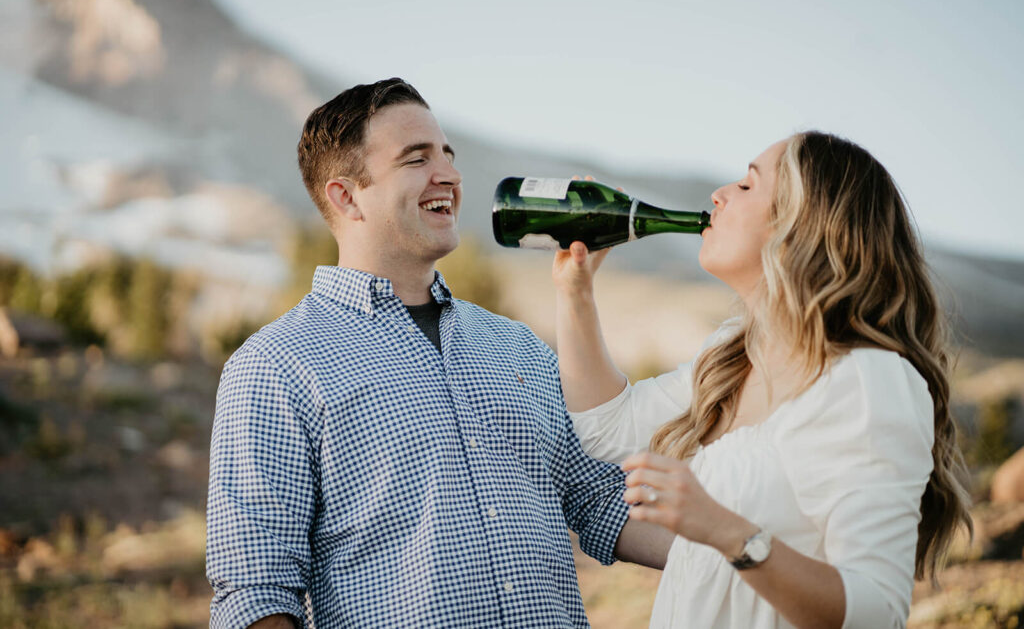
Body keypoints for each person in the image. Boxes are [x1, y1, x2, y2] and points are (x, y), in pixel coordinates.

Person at [205, 78, 670, 629]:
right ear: (346, 195)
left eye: (448, 155)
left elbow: (601, 500)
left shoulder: (518, 345)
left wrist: (756, 551)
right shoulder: (276, 367)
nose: (448, 174)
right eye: (416, 158)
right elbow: (257, 592)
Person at [552, 132, 973, 629]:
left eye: (749, 186)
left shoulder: (867, 379)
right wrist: (575, 291)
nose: (719, 195)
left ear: (803, 226)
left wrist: (728, 533)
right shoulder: (733, 353)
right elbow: (606, 430)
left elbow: (876, 611)